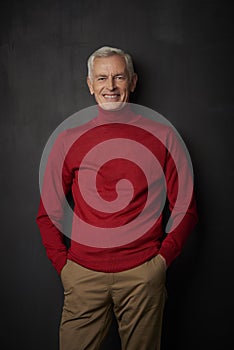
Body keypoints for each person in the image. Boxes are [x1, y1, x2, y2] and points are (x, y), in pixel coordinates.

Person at [36, 46, 198, 350]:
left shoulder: (163, 135)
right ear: (90, 84)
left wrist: (160, 263)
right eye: (101, 78)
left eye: (118, 77)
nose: (110, 87)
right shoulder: (69, 139)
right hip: (83, 275)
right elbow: (48, 213)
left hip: (142, 275)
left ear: (133, 82)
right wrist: (65, 267)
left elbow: (185, 207)